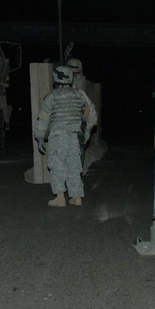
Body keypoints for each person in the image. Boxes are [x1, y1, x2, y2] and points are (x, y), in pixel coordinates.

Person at [34, 65, 97, 207]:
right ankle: (76, 197)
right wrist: (87, 131)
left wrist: (39, 137)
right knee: (74, 166)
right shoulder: (80, 94)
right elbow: (91, 114)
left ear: (56, 78)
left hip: (58, 137)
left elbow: (43, 119)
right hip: (74, 137)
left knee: (57, 166)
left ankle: (60, 197)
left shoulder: (53, 96)